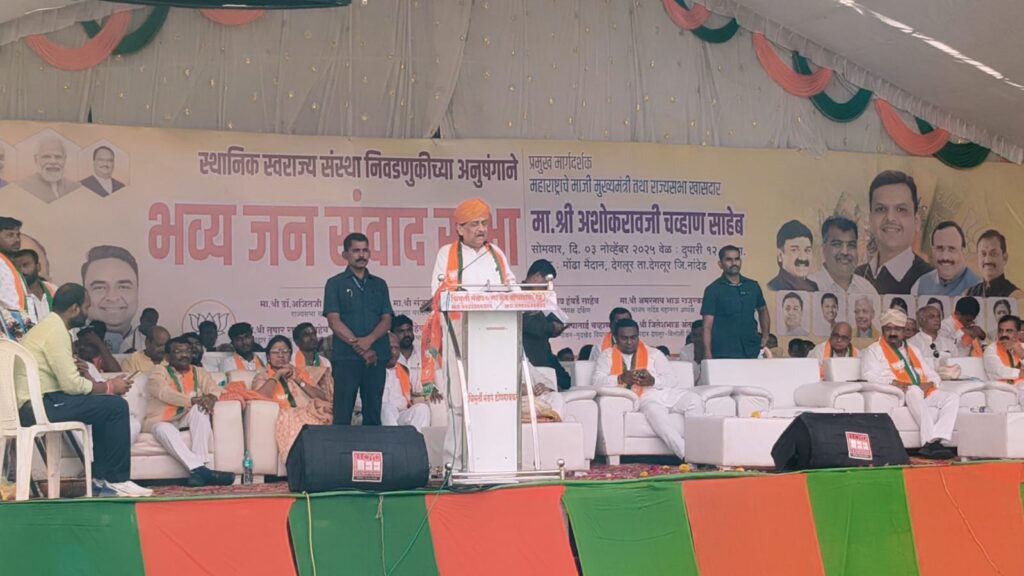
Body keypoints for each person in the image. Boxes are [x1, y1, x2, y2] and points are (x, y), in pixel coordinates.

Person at [14, 283, 152, 497]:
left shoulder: (48, 327)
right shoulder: (56, 331)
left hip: (40, 401)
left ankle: (100, 478)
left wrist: (88, 378)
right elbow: (71, 386)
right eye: (86, 307)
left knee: (105, 407)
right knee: (116, 406)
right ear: (74, 309)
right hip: (39, 405)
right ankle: (117, 480)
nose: (88, 313)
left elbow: (65, 379)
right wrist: (110, 386)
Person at [860, 309, 957, 459]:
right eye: (888, 329)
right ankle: (928, 442)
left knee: (952, 397)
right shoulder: (874, 350)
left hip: (922, 392)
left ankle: (938, 437)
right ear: (883, 330)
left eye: (897, 329)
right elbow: (868, 375)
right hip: (900, 394)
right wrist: (895, 383)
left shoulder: (913, 350)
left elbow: (933, 375)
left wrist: (929, 383)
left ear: (904, 331)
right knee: (913, 391)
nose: (892, 333)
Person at [324, 232, 393, 426]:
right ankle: (340, 448)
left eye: (365, 250)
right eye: (356, 251)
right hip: (346, 358)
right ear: (345, 254)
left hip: (376, 356)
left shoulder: (379, 284)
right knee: (342, 414)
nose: (361, 255)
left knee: (373, 415)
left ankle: (373, 447)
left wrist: (369, 341)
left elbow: (386, 320)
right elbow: (334, 321)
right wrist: (360, 348)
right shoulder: (335, 284)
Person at [591, 319, 688, 459]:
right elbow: (596, 382)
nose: (629, 342)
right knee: (655, 411)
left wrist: (653, 381)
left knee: (694, 400)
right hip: (643, 400)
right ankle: (686, 454)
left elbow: (672, 380)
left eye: (633, 337)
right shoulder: (606, 356)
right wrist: (620, 379)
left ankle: (703, 451)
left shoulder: (654, 354)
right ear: (615, 338)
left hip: (664, 394)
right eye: (624, 338)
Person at [145, 337, 234, 487]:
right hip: (162, 419)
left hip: (185, 418)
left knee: (201, 409)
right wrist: (191, 400)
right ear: (167, 357)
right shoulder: (158, 372)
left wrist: (211, 397)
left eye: (187, 351)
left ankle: (199, 468)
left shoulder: (199, 372)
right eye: (178, 351)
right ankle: (201, 471)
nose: (184, 355)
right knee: (163, 429)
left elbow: (214, 389)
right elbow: (163, 392)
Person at [249, 335, 334, 461]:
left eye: (285, 351)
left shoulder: (300, 373)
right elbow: (260, 397)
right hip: (285, 416)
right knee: (296, 421)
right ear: (268, 357)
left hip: (310, 412)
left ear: (290, 356)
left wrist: (298, 379)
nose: (281, 355)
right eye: (276, 352)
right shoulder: (263, 376)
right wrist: (277, 375)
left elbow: (323, 397)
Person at [854, 171, 933, 294]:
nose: (890, 218)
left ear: (916, 221)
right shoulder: (855, 278)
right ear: (870, 220)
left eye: (901, 209)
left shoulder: (932, 281)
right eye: (881, 209)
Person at [429, 197, 517, 295]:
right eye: (475, 224)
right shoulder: (447, 252)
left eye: (484, 223)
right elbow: (438, 292)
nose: (481, 229)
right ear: (460, 229)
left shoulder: (496, 252)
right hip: (459, 305)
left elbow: (512, 287)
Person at [701, 246, 770, 359]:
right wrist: (707, 353)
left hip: (751, 349)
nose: (734, 263)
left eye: (736, 259)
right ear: (720, 264)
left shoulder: (752, 286)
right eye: (729, 259)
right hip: (724, 351)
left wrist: (765, 335)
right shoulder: (713, 290)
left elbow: (762, 309)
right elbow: (707, 326)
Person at [521, 259, 571, 390]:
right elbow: (525, 324)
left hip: (545, 351)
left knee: (566, 381)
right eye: (547, 281)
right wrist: (551, 327)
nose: (548, 286)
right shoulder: (517, 295)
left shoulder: (542, 296)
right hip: (529, 355)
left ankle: (551, 391)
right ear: (537, 276)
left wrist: (557, 329)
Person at [80, 245, 140, 353]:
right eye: (99, 288)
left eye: (123, 287)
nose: (112, 298)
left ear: (137, 290)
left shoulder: (147, 341)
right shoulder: (72, 340)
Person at [809, 216, 878, 296]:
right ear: (824, 249)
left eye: (851, 245)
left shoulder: (866, 289)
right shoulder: (809, 287)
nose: (845, 252)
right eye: (837, 244)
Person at [911, 221, 981, 297]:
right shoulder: (920, 285)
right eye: (939, 248)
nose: (945, 257)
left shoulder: (979, 289)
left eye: (952, 249)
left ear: (963, 251)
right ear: (932, 251)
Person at [381, 333, 430, 430]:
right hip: (381, 415)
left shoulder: (404, 370)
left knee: (422, 409)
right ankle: (394, 440)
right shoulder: (372, 370)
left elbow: (411, 395)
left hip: (401, 414)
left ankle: (416, 439)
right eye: (390, 348)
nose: (394, 352)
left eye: (396, 348)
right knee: (386, 408)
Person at [18, 137, 80, 203]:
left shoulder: (75, 188)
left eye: (58, 157)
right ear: (36, 159)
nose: (53, 162)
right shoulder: (21, 187)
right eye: (46, 157)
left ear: (64, 159)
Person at [967, 229, 1024, 298]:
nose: (987, 260)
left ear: (1005, 258)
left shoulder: (1016, 297)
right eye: (983, 254)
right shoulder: (969, 294)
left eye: (993, 254)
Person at [0, 217, 32, 336]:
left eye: (18, 235)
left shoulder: (9, 263)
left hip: (18, 324)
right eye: (10, 235)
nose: (17, 239)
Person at [767, 220, 818, 291]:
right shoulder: (774, 288)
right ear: (780, 255)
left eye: (807, 250)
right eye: (794, 250)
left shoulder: (813, 287)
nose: (803, 257)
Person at [13, 248, 57, 324]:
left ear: (38, 267)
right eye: (18, 267)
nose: (22, 271)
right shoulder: (14, 295)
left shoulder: (53, 290)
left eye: (26, 265)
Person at [983, 315, 1024, 391]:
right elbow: (998, 372)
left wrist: (1020, 352)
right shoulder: (991, 349)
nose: (1003, 334)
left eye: (1009, 331)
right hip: (1001, 390)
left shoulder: (1022, 346)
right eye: (1000, 331)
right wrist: (1020, 373)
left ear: (1018, 333)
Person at [391, 315, 421, 383]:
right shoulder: (389, 358)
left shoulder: (423, 354)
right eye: (401, 331)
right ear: (392, 334)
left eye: (409, 330)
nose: (406, 334)